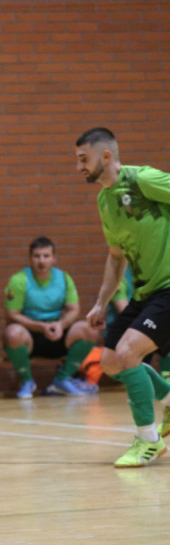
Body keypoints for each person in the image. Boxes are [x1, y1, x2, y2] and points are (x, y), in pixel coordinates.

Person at [77, 127, 170, 467]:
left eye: (83, 159)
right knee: (111, 361)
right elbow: (116, 256)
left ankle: (149, 440)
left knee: (130, 351)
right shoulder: (105, 201)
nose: (79, 167)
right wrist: (101, 301)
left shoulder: (142, 180)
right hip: (145, 291)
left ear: (106, 157)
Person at [2, 236, 102, 399]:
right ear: (30, 258)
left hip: (57, 332)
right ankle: (27, 381)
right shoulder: (19, 280)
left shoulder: (64, 278)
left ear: (54, 258)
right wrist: (40, 327)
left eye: (46, 256)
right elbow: (11, 315)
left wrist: (61, 325)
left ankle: (62, 380)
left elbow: (74, 309)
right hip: (31, 336)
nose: (41, 261)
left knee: (89, 329)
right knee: (12, 333)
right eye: (37, 256)